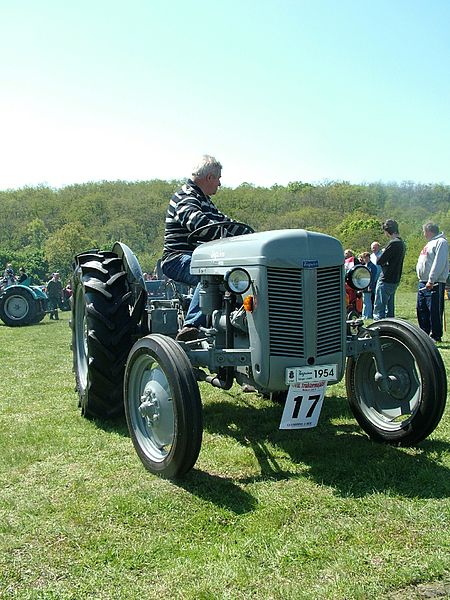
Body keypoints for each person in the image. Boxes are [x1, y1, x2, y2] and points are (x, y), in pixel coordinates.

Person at [161, 155, 252, 341]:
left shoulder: (205, 201)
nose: (219, 184)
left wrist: (249, 236)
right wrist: (226, 237)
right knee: (209, 275)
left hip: (198, 258)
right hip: (177, 258)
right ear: (209, 178)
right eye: (218, 179)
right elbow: (198, 224)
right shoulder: (185, 196)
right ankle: (191, 326)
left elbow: (224, 222)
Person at [416, 222, 449, 343]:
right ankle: (424, 334)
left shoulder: (441, 242)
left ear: (429, 231)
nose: (424, 234)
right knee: (421, 308)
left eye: (424, 232)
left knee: (434, 309)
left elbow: (439, 262)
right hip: (423, 282)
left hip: (434, 283)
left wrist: (431, 279)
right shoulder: (429, 243)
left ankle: (435, 335)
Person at [373, 219, 406, 320]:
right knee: (390, 309)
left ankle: (378, 330)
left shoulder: (393, 243)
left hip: (386, 279)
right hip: (395, 278)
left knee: (379, 309)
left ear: (387, 231)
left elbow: (379, 261)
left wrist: (382, 254)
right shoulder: (402, 243)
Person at [360, 252, 377, 319]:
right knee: (365, 301)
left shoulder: (372, 267)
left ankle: (368, 315)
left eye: (367, 257)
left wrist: (370, 286)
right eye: (364, 258)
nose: (365, 259)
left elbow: (372, 278)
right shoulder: (365, 266)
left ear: (369, 258)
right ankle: (364, 315)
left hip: (369, 286)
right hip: (364, 285)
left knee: (368, 301)